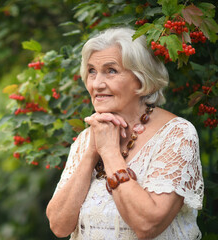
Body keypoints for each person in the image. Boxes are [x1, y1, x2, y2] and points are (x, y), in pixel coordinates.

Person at [46, 27, 204, 240]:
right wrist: (92, 151)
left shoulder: (177, 134)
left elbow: (147, 225)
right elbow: (59, 225)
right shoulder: (88, 138)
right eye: (92, 71)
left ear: (141, 78)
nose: (97, 84)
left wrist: (110, 152)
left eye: (111, 70)